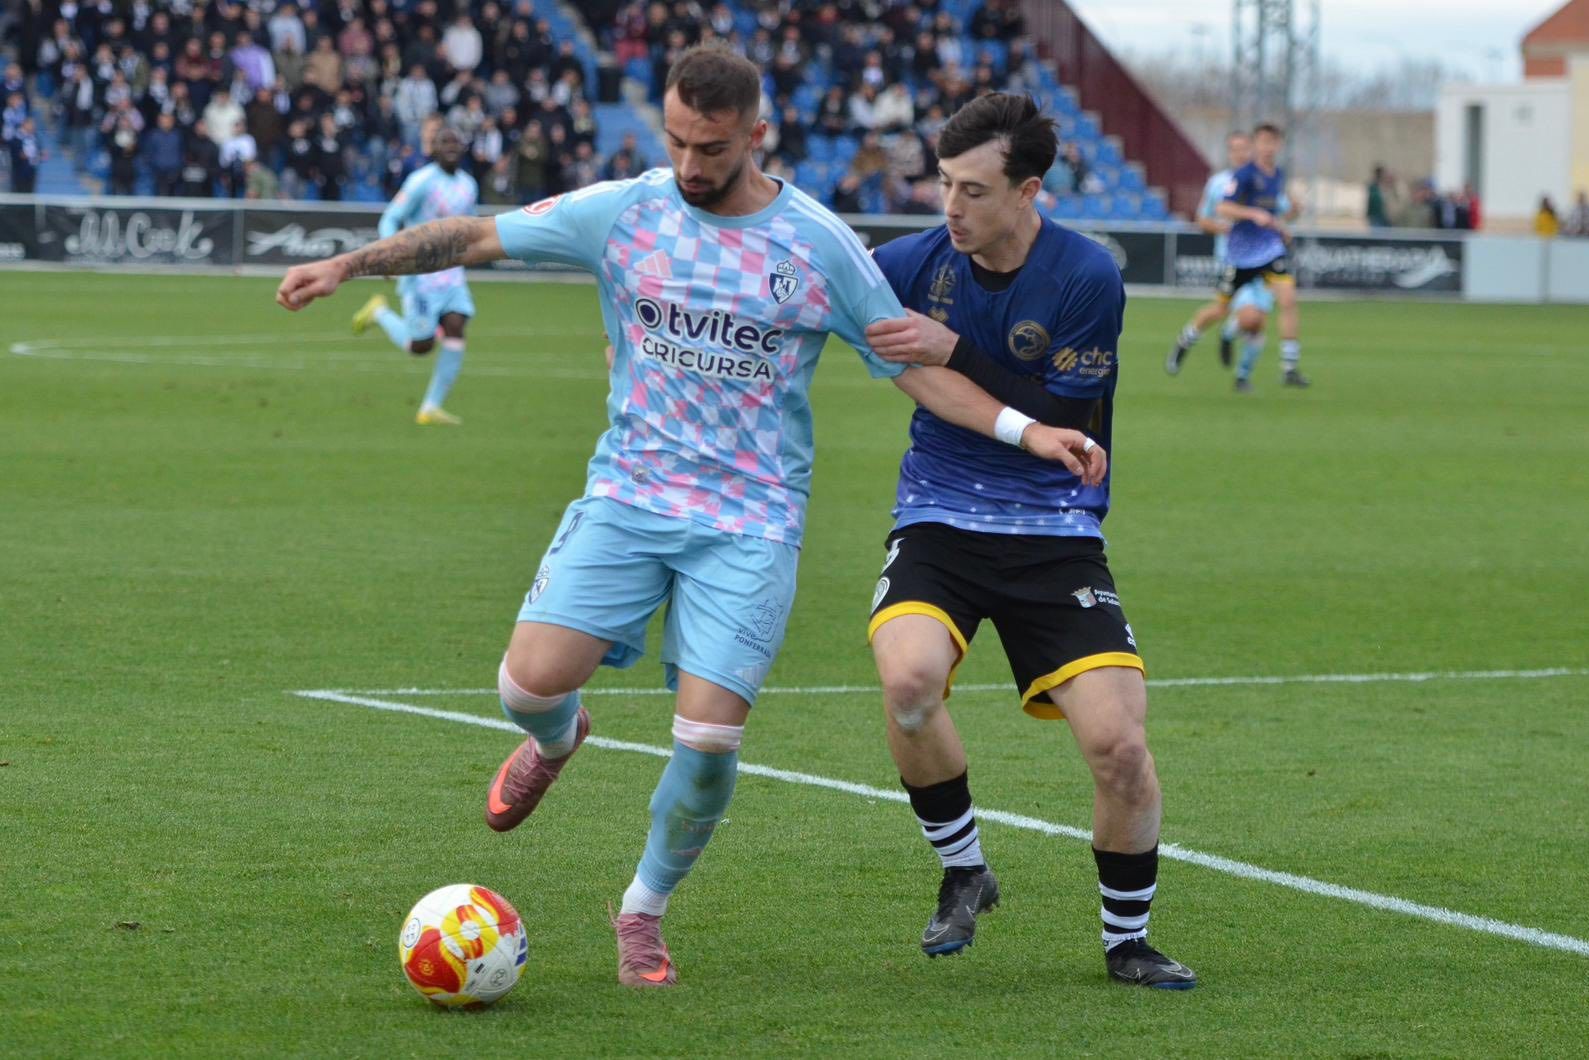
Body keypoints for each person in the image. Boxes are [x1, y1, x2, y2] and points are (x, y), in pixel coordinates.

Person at [275, 44, 1100, 989]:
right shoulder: (625, 211)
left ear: (757, 134)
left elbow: (910, 366)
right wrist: (351, 261)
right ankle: (556, 738)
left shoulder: (818, 245)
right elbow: (473, 238)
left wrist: (1028, 430)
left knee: (707, 742)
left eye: (710, 146)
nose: (690, 164)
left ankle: (642, 911)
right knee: (525, 687)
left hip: (750, 522)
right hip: (628, 496)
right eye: (676, 140)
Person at [859, 92, 1194, 990]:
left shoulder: (1087, 275)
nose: (951, 208)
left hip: (1055, 531)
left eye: (973, 190)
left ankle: (1128, 943)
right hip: (938, 515)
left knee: (1120, 747)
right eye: (943, 185)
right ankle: (965, 866)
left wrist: (952, 346)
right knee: (909, 683)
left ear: (1028, 191)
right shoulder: (912, 261)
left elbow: (1058, 415)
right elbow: (814, 277)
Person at [350, 127, 479, 426]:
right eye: (444, 142)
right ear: (432, 148)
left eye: (456, 142)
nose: (451, 147)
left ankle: (430, 407)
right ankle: (379, 312)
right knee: (420, 345)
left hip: (452, 273)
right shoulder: (421, 181)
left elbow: (470, 226)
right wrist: (387, 254)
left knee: (457, 325)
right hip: (420, 274)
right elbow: (391, 217)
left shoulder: (468, 185)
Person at [1166, 130, 1284, 385]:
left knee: (1257, 321)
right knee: (1227, 312)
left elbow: (1280, 212)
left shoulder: (1264, 178)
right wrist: (1227, 228)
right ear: (1229, 153)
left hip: (1264, 259)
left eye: (1244, 148)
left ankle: (1242, 376)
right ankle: (1186, 340)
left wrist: (1287, 217)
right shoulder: (1219, 183)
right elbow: (1203, 220)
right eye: (1235, 149)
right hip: (1233, 260)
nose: (1240, 153)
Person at [1215, 123, 1308, 388]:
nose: (1269, 147)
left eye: (1274, 142)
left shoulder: (1278, 175)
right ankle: (1229, 333)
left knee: (1288, 300)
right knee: (1247, 318)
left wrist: (1284, 223)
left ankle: (1289, 367)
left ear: (1279, 145)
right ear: (1255, 145)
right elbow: (1224, 207)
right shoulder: (1244, 175)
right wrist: (1252, 214)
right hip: (1242, 256)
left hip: (1270, 251)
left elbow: (1273, 214)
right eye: (1264, 142)